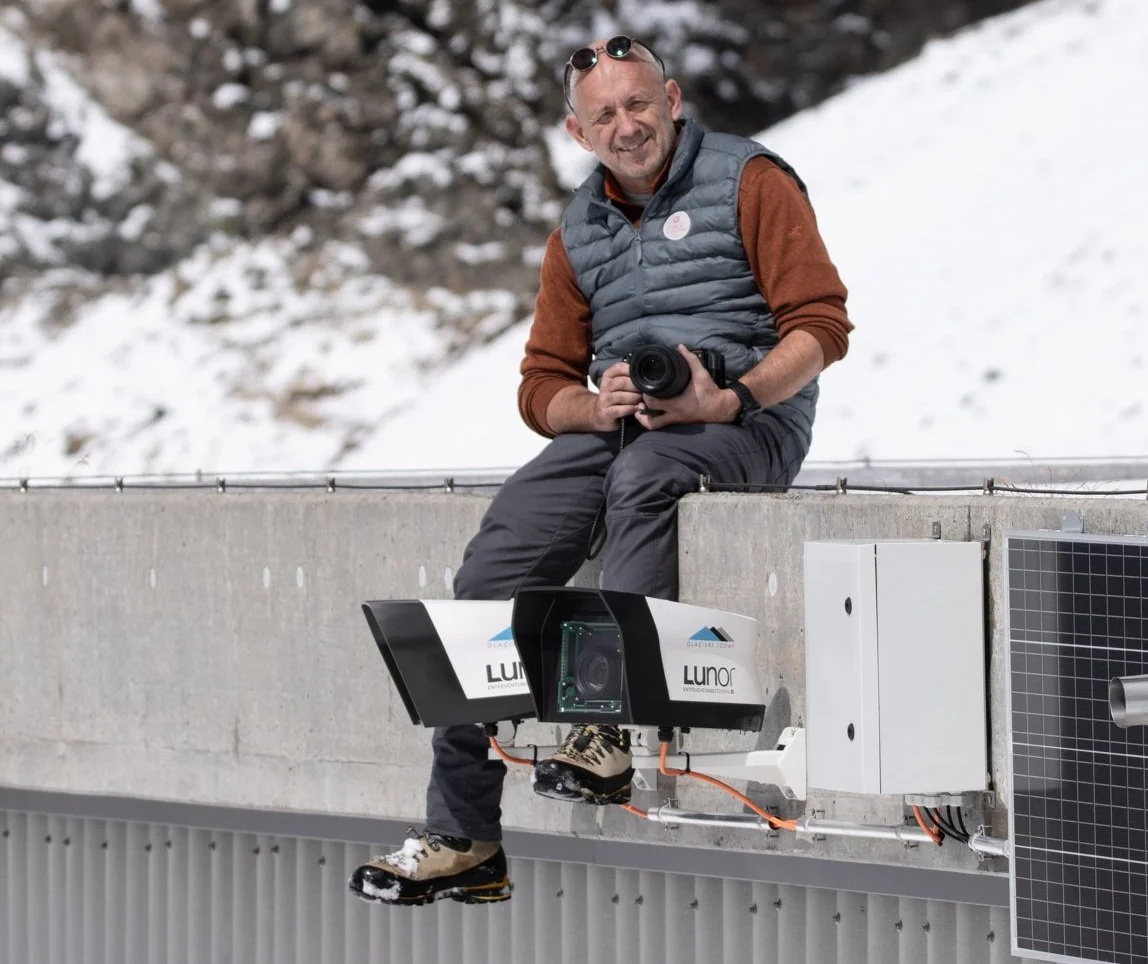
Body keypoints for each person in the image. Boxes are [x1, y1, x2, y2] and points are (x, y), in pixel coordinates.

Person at [349, 35, 852, 906]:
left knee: (646, 477)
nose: (628, 127)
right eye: (605, 116)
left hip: (749, 423)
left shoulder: (751, 180)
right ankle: (466, 836)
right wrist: (599, 401)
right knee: (492, 566)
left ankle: (606, 733)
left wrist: (729, 399)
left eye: (639, 105)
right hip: (627, 431)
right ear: (578, 134)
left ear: (674, 100)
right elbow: (540, 385)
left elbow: (821, 327)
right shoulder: (576, 231)